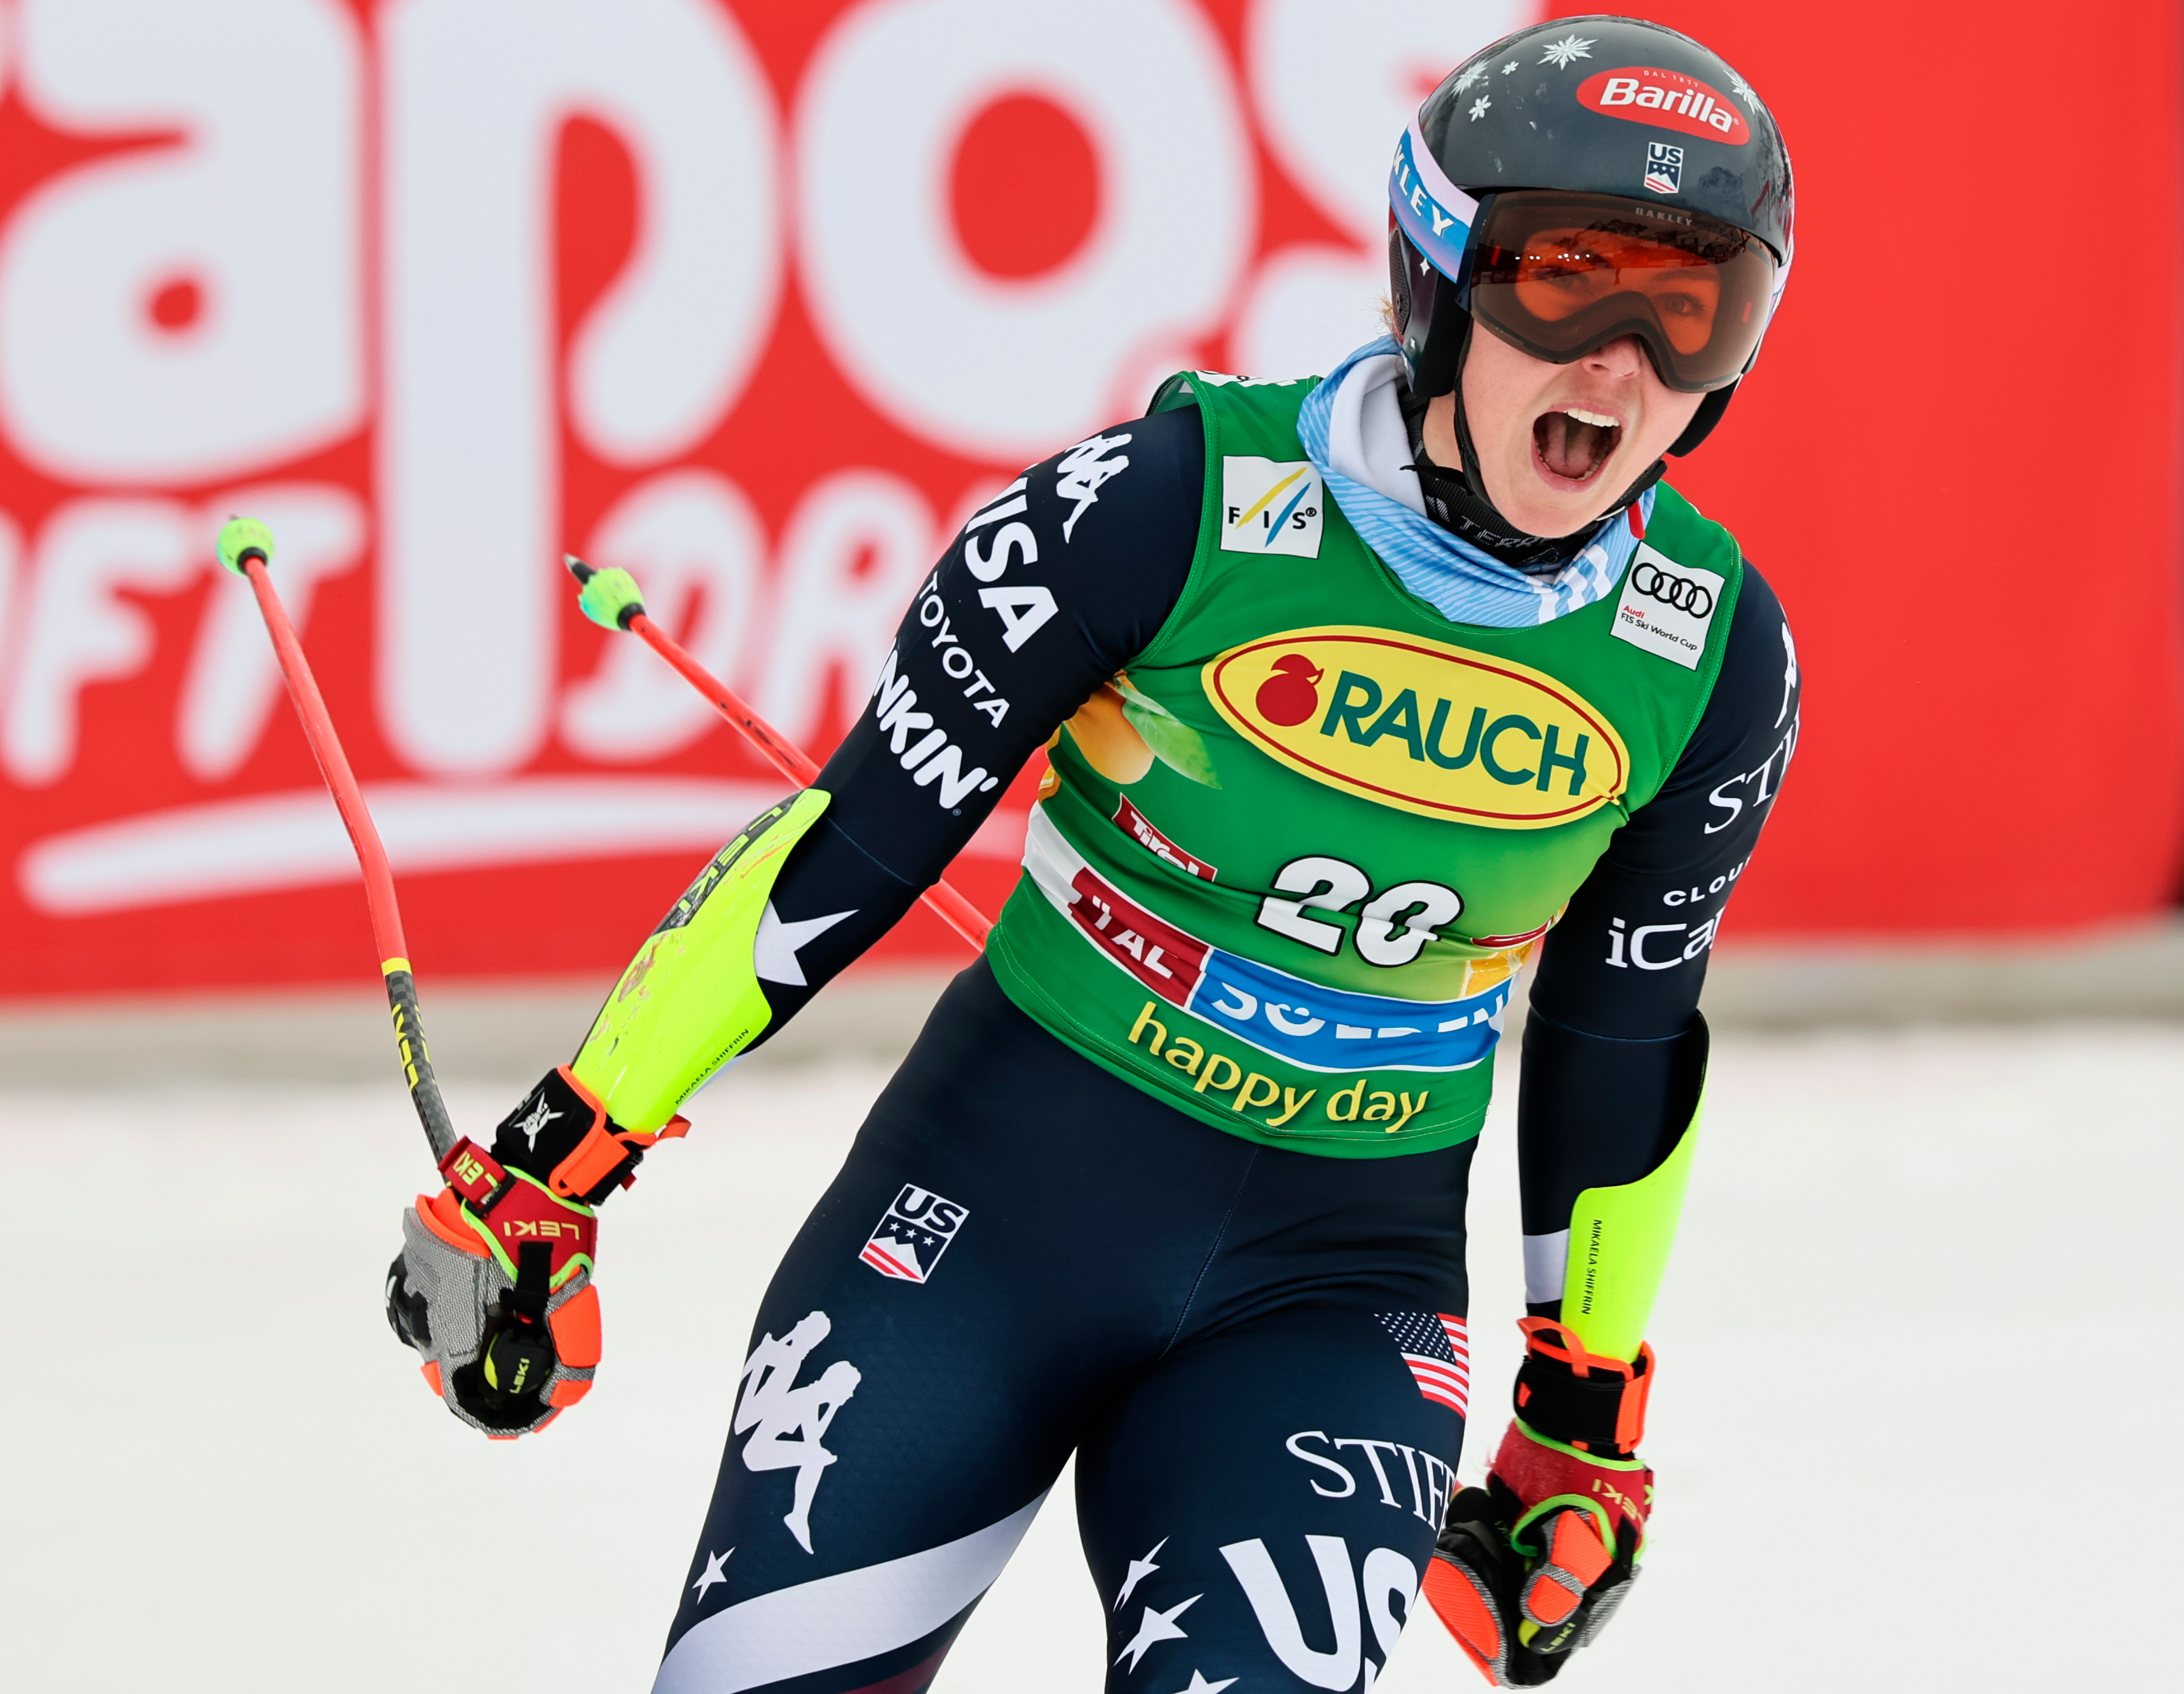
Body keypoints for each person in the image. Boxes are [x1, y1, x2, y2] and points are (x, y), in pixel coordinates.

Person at [382, 16, 1800, 1690]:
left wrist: (1584, 1409)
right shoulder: (1167, 505)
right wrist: (557, 1159)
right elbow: (861, 833)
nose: (1621, 363)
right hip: (992, 1219)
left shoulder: (1710, 655)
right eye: (1566, 282)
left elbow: (1621, 1032)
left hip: (1335, 1293)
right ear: (1436, 279)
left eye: (1691, 308)